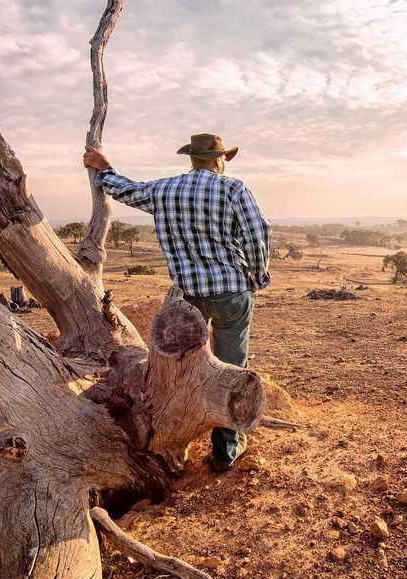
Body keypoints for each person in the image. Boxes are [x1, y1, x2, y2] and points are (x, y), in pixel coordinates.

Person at [83, 133, 271, 471]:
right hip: (231, 293)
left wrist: (103, 168)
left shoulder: (165, 190)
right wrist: (257, 277)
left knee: (186, 369)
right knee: (231, 365)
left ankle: (175, 436)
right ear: (218, 160)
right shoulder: (233, 189)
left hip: (188, 299)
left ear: (193, 159)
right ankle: (226, 450)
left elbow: (125, 190)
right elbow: (258, 235)